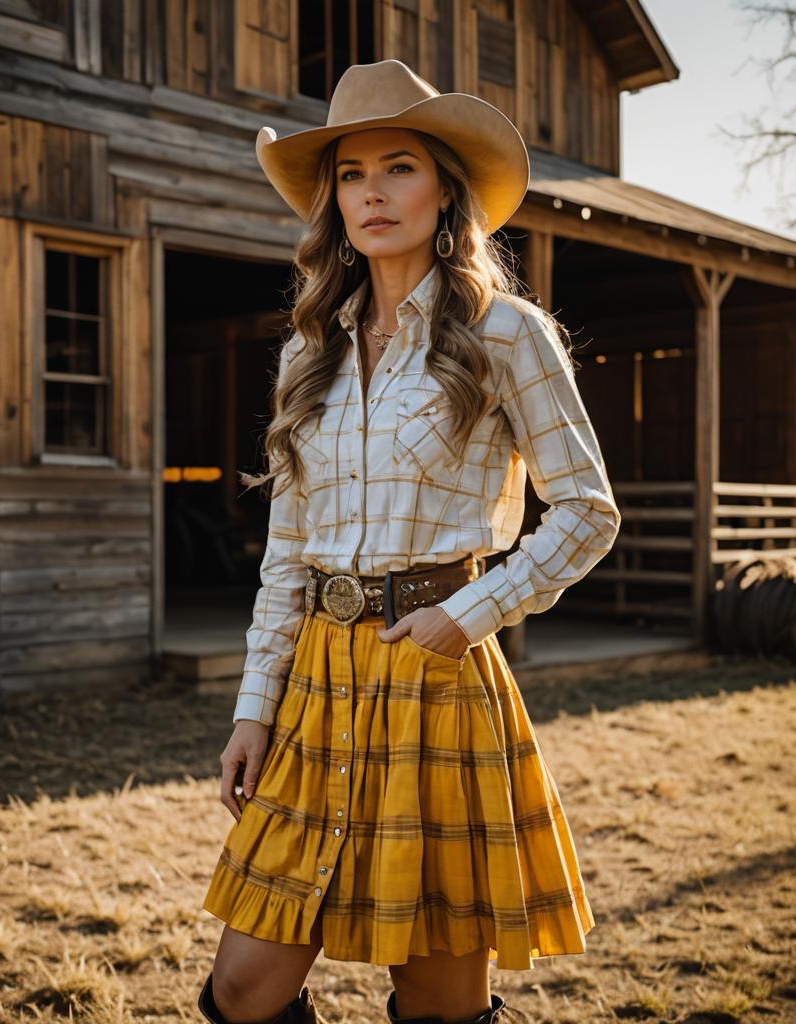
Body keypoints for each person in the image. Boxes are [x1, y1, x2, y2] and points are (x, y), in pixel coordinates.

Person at [197, 59, 621, 1024]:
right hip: (316, 683)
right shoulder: (310, 351)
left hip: (436, 680)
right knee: (242, 989)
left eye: (399, 167)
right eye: (351, 174)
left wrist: (467, 617)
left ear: (446, 193)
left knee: (436, 1002)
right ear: (331, 200)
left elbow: (589, 512)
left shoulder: (506, 334)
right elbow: (287, 555)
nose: (373, 193)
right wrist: (253, 706)